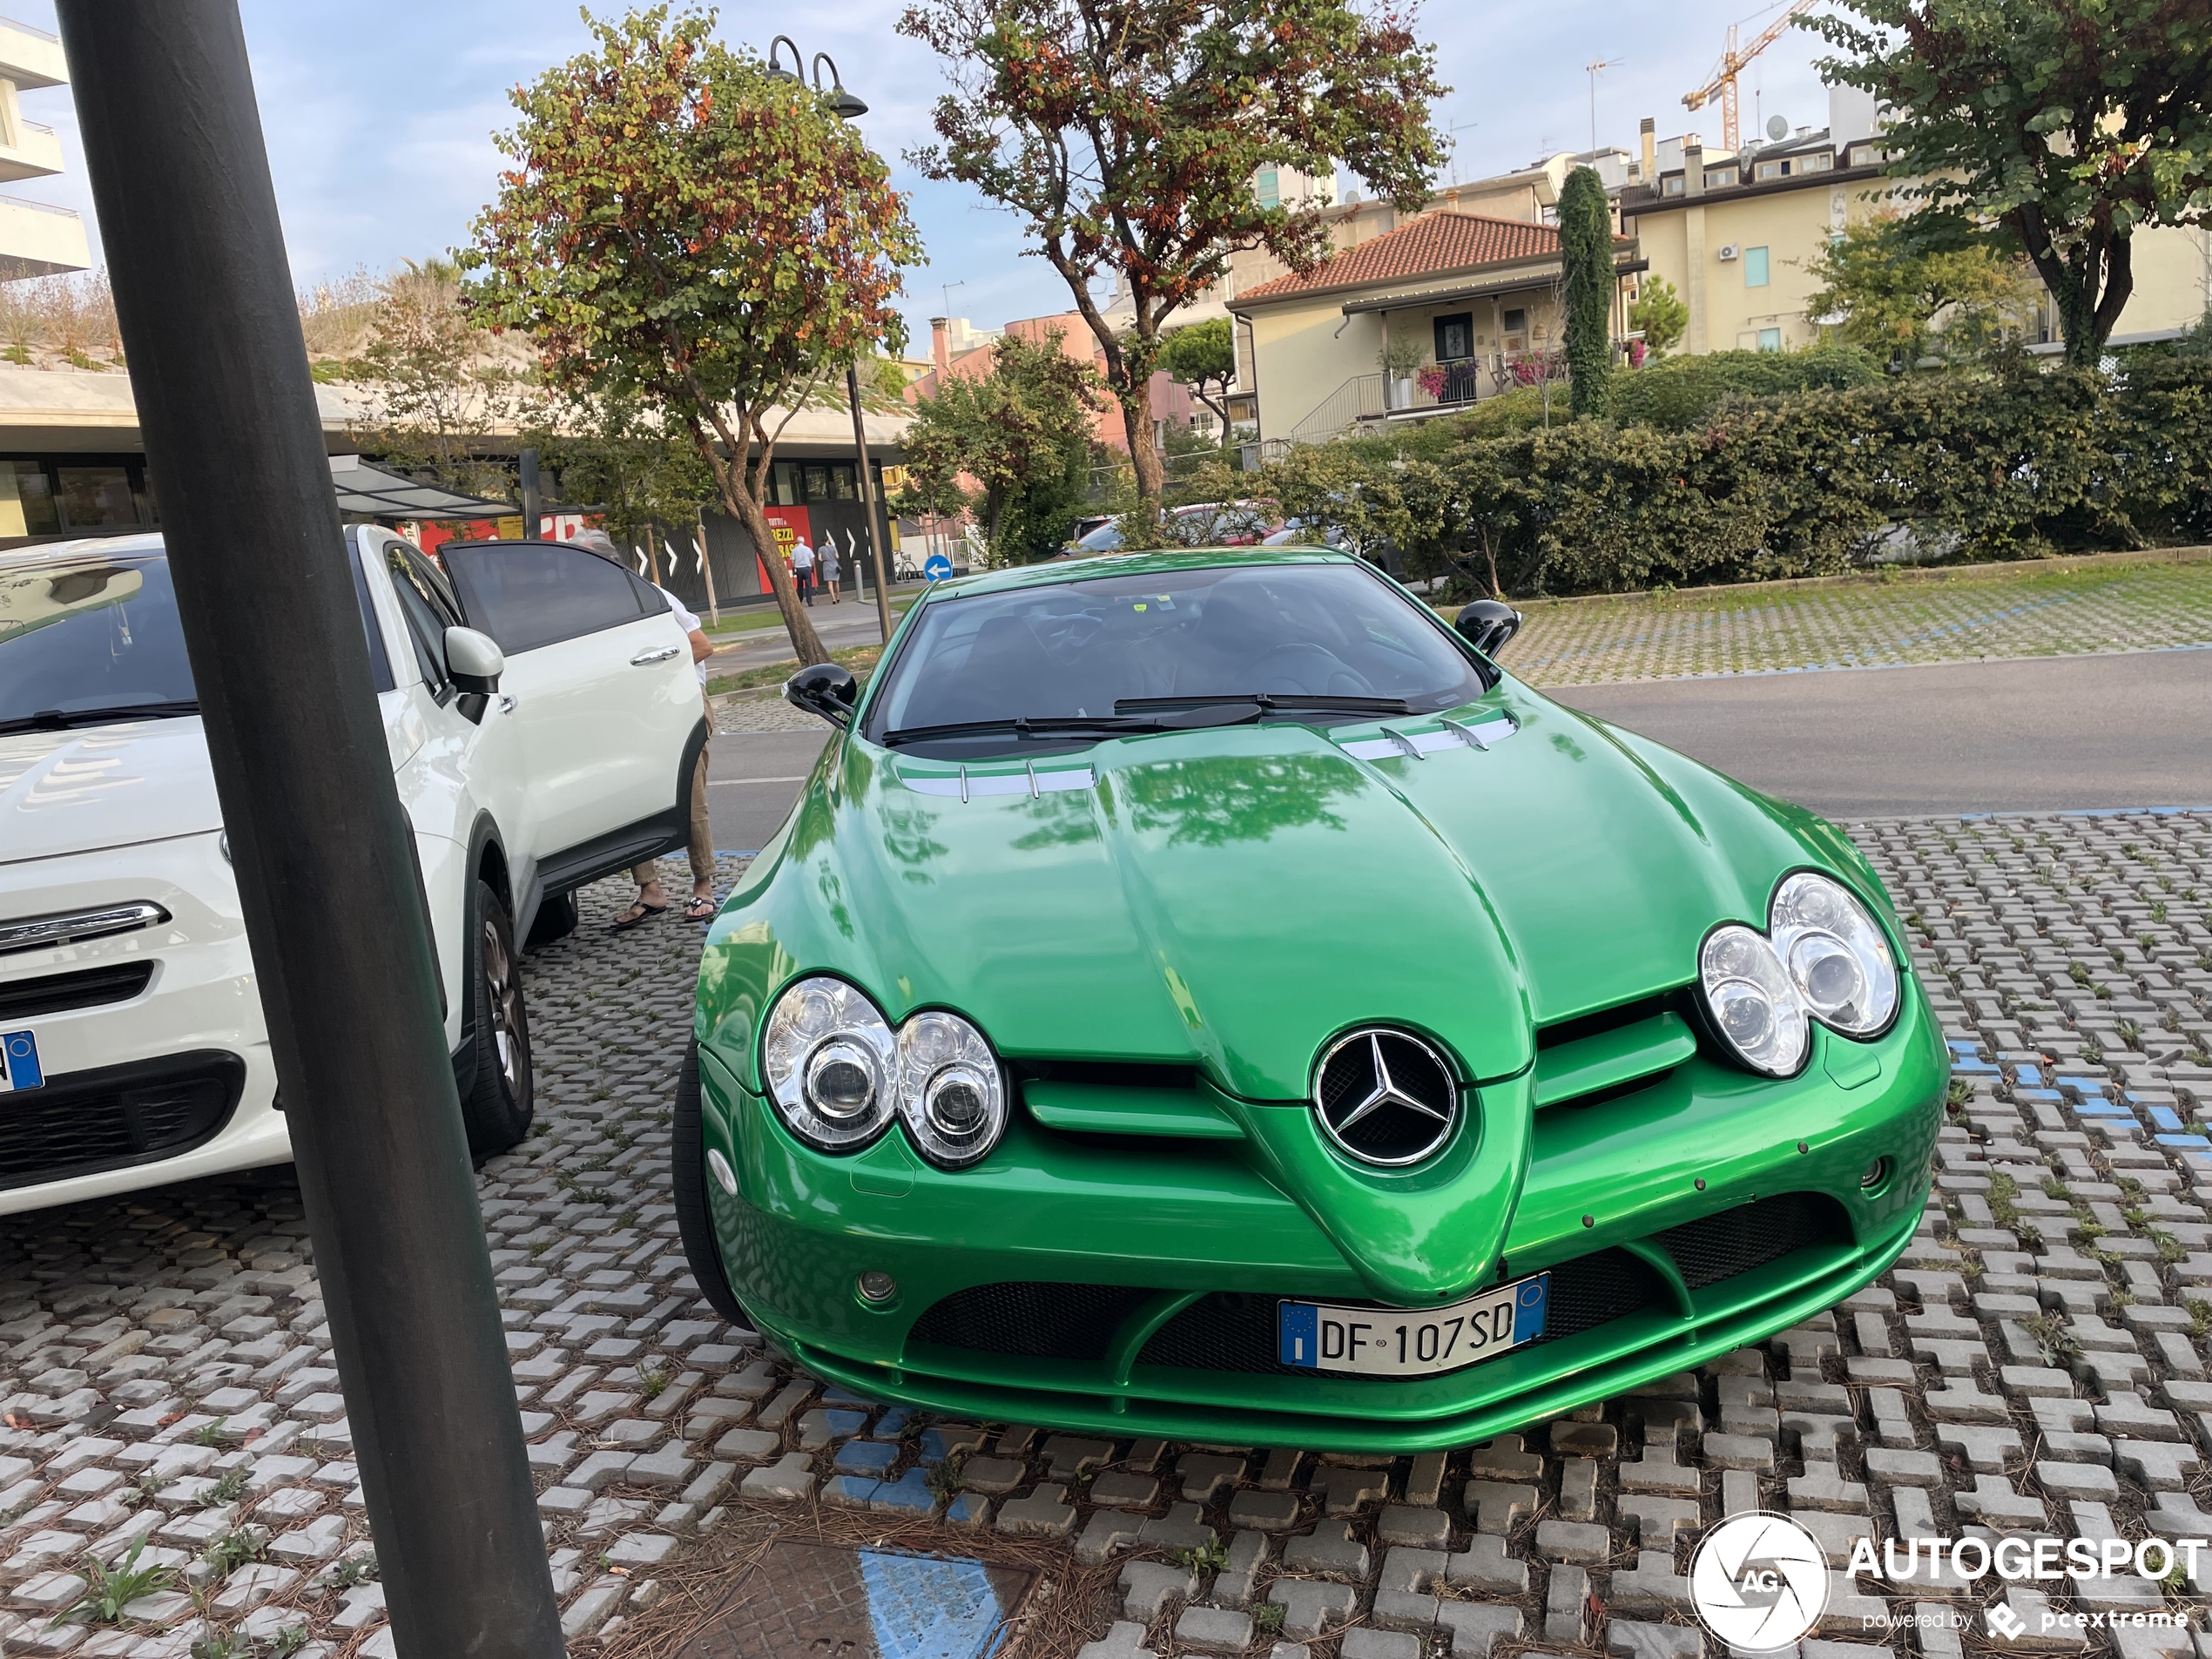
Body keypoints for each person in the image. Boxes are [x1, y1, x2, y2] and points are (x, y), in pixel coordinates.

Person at [565, 529, 718, 930]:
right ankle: (650, 890)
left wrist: (650, 677)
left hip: (679, 705)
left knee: (690, 796)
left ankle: (703, 886)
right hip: (628, 714)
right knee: (629, 800)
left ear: (604, 562)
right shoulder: (587, 609)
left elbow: (701, 646)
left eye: (581, 565)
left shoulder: (651, 597)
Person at [789, 535, 815, 606]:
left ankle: (799, 600)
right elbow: (812, 560)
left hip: (799, 569)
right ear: (803, 541)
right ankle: (809, 601)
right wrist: (812, 567)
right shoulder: (808, 549)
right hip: (807, 568)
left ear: (797, 542)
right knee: (808, 585)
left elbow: (792, 562)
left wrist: (793, 569)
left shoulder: (794, 550)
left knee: (799, 585)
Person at [819, 541, 842, 605]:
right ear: (828, 541)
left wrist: (825, 559)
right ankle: (838, 596)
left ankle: (833, 598)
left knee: (830, 583)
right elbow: (837, 556)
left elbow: (819, 558)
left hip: (826, 565)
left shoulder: (820, 549)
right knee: (836, 582)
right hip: (834, 564)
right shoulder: (833, 547)